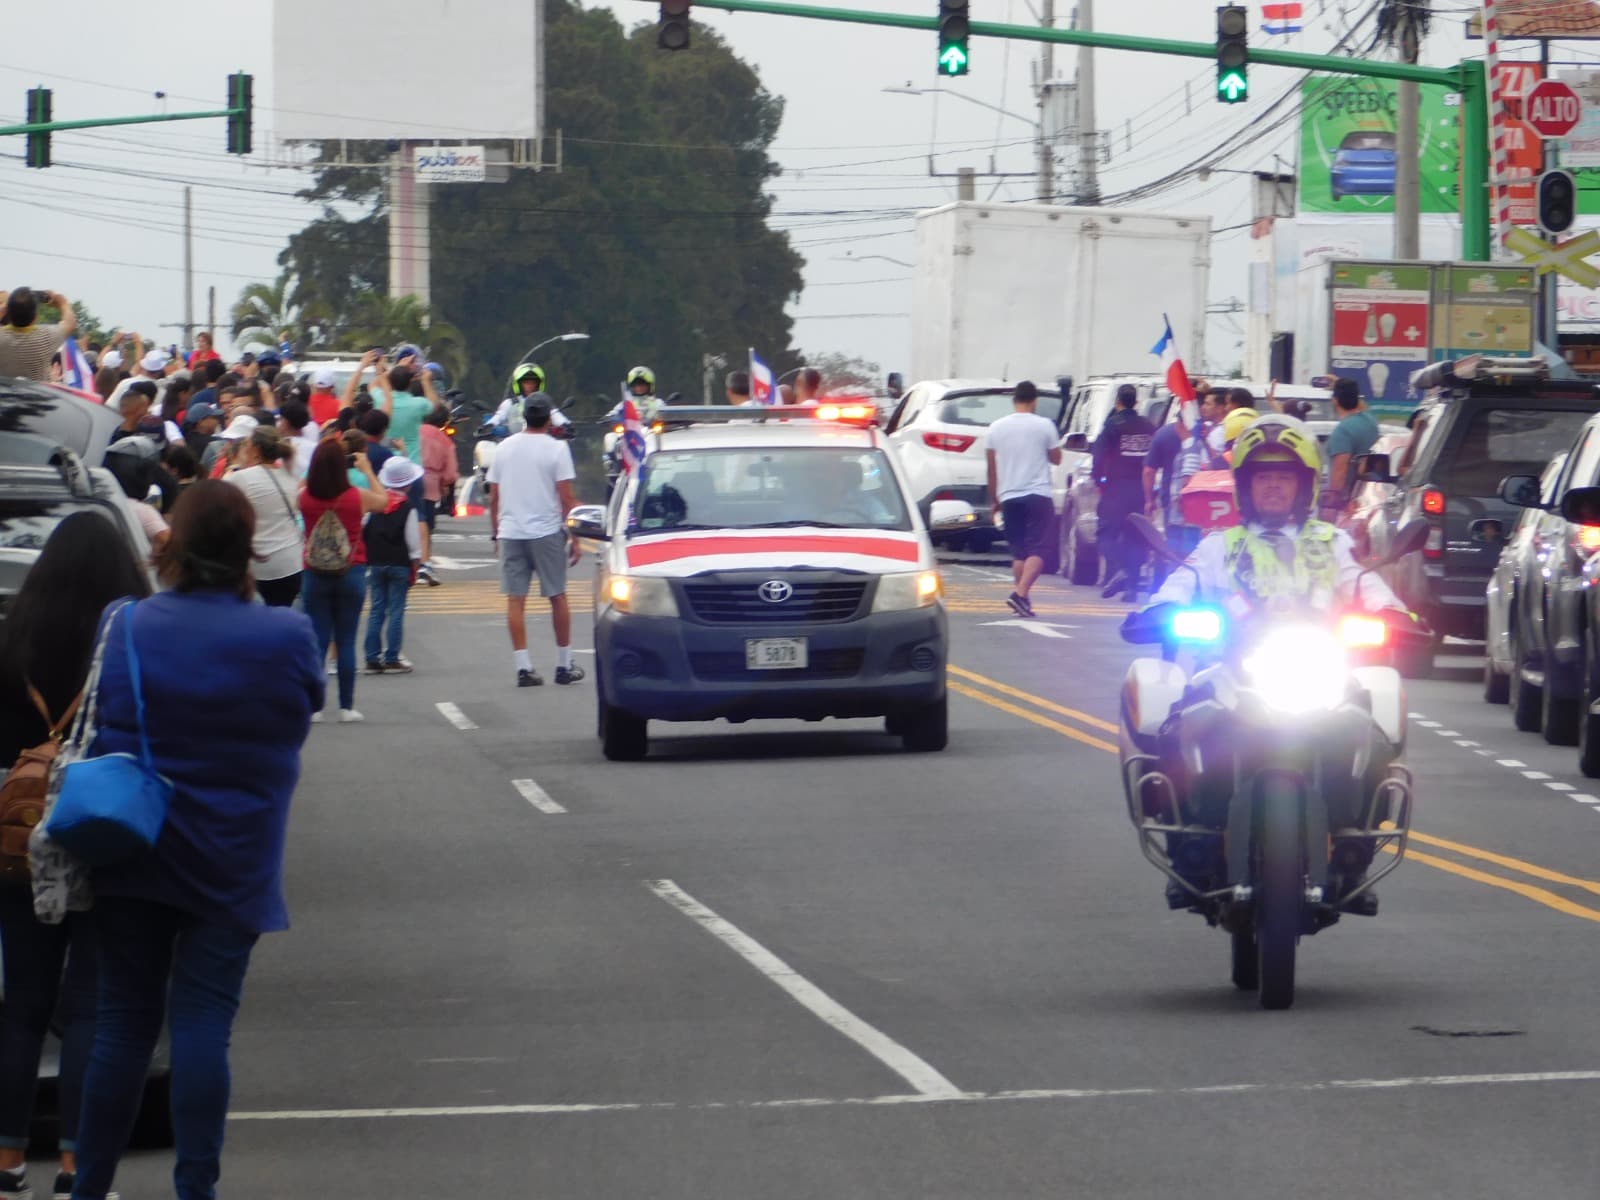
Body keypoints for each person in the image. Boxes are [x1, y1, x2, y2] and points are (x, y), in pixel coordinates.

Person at [66, 483, 321, 1200]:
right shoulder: (285, 634)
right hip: (235, 851)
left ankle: (89, 1185)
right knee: (205, 1020)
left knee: (123, 1022)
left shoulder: (125, 624)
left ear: (172, 543)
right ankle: (195, 1186)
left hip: (132, 843)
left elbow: (104, 713)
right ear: (248, 553)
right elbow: (301, 712)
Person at [0, 515, 150, 1200]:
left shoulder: (11, 639)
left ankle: (5, 1165)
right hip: (102, 833)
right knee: (91, 1008)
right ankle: (75, 1170)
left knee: (20, 1007)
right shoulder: (133, 638)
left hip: (19, 836)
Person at [487, 394, 583, 688]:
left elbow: (494, 498)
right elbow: (566, 498)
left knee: (515, 599)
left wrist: (495, 532)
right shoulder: (557, 449)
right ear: (549, 418)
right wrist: (576, 536)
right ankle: (563, 665)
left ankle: (524, 668)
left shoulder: (503, 448)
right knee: (558, 596)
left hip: (511, 532)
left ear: (525, 417)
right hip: (546, 532)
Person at [298, 440, 387, 722]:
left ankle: (315, 707)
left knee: (318, 640)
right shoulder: (355, 496)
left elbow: (300, 489)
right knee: (346, 640)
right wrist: (368, 469)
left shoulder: (304, 497)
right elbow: (384, 502)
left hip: (314, 573)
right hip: (352, 571)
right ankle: (346, 707)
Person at [985, 380, 1062, 618]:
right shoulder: (1044, 425)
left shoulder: (995, 428)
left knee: (1019, 552)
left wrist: (995, 499)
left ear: (1014, 400)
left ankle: (1023, 599)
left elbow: (991, 468)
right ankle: (1019, 594)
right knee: (1040, 549)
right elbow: (1057, 458)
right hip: (1038, 494)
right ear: (1034, 400)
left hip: (1009, 495)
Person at [223, 425, 305, 608]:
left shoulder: (240, 478)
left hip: (259, 566)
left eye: (246, 444)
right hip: (292, 561)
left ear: (256, 450)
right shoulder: (290, 477)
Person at [1094, 383, 1156, 602]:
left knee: (1105, 534)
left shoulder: (1112, 425)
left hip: (1115, 489)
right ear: (1136, 402)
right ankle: (1131, 588)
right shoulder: (1148, 426)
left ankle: (1120, 569)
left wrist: (1099, 482)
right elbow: (1153, 460)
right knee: (1136, 537)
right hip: (1141, 489)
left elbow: (1098, 457)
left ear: (1118, 402)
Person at [364, 457, 425, 673]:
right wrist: (416, 562)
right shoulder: (408, 507)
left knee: (376, 609)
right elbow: (413, 542)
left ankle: (371, 657)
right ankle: (392, 656)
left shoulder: (374, 503)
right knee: (396, 610)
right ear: (408, 484)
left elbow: (364, 529)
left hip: (376, 563)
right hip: (399, 563)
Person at [1322, 376, 1382, 515]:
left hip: (1346, 506)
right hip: (1367, 500)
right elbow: (1361, 406)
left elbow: (1340, 472)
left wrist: (1331, 508)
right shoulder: (1370, 421)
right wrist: (1343, 386)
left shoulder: (1343, 431)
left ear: (1335, 401)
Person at [0, 287, 76, 382]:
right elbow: (70, 323)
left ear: (9, 313)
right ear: (35, 316)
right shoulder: (46, 337)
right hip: (35, 395)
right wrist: (63, 303)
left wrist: (4, 308)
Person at [418, 408, 459, 585]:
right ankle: (424, 564)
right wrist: (445, 485)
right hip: (431, 483)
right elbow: (450, 473)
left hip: (407, 480)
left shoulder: (414, 431)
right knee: (426, 524)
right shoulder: (445, 441)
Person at [491, 363, 573, 438]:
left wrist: (565, 424)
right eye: (526, 383)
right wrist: (489, 425)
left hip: (541, 442)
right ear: (518, 384)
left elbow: (556, 414)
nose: (530, 386)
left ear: (539, 385)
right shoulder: (509, 403)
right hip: (513, 439)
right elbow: (499, 416)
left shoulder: (545, 403)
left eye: (533, 383)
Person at [276, 399, 319, 481]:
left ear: (285, 422)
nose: (278, 423)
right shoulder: (316, 447)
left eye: (280, 419)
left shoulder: (276, 449)